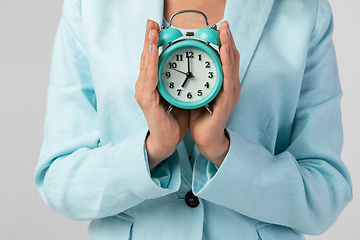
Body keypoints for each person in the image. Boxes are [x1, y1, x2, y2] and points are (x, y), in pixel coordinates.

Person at [34, 0, 352, 239]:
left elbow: (325, 192)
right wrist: (152, 150)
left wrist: (223, 152)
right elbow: (59, 179)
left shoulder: (303, 10)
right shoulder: (90, 7)